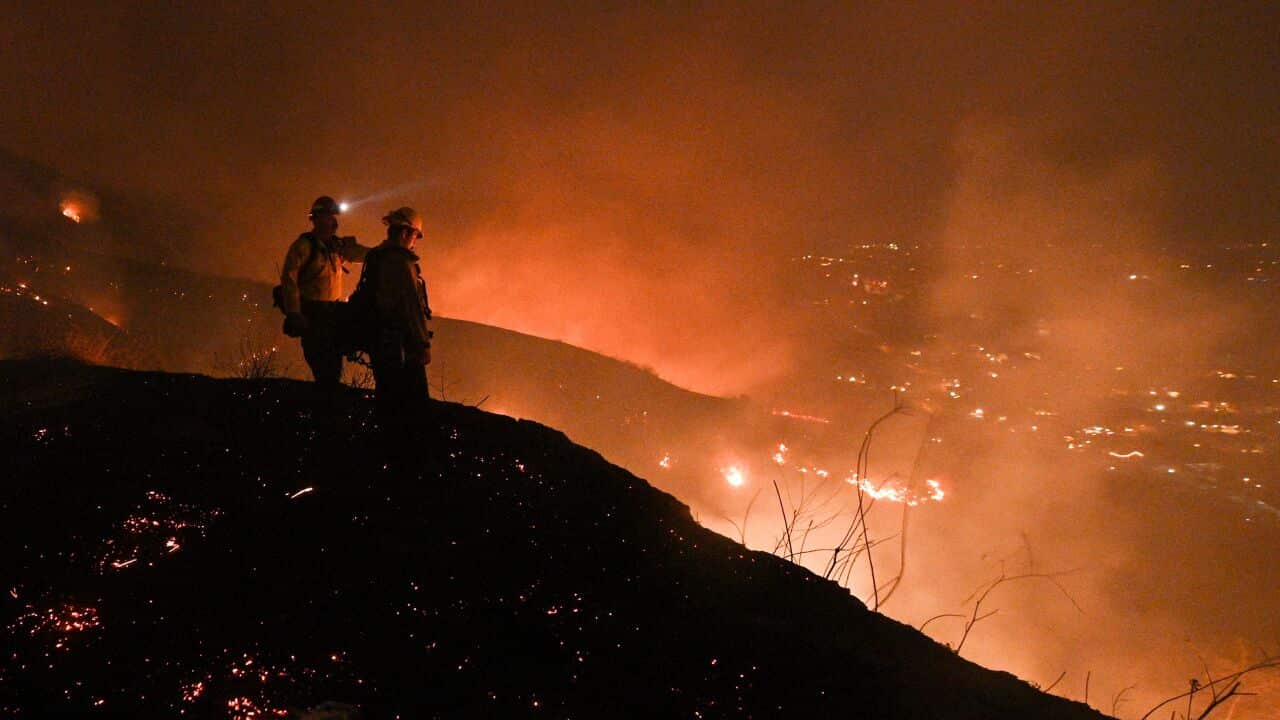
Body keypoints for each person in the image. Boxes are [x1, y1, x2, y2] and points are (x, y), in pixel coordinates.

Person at [279, 196, 370, 386]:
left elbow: (362, 254)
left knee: (332, 369)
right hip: (313, 316)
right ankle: (326, 404)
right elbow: (289, 279)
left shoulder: (336, 248)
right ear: (314, 219)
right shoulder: (304, 246)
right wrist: (294, 313)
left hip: (333, 316)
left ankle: (328, 402)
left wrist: (384, 254)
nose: (329, 221)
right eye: (324, 217)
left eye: (330, 217)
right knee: (324, 367)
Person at [353, 206, 432, 423]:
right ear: (406, 232)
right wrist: (423, 345)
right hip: (401, 346)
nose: (415, 241)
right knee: (413, 407)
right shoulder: (400, 262)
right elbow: (410, 307)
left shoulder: (378, 257)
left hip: (381, 342)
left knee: (387, 400)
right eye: (416, 235)